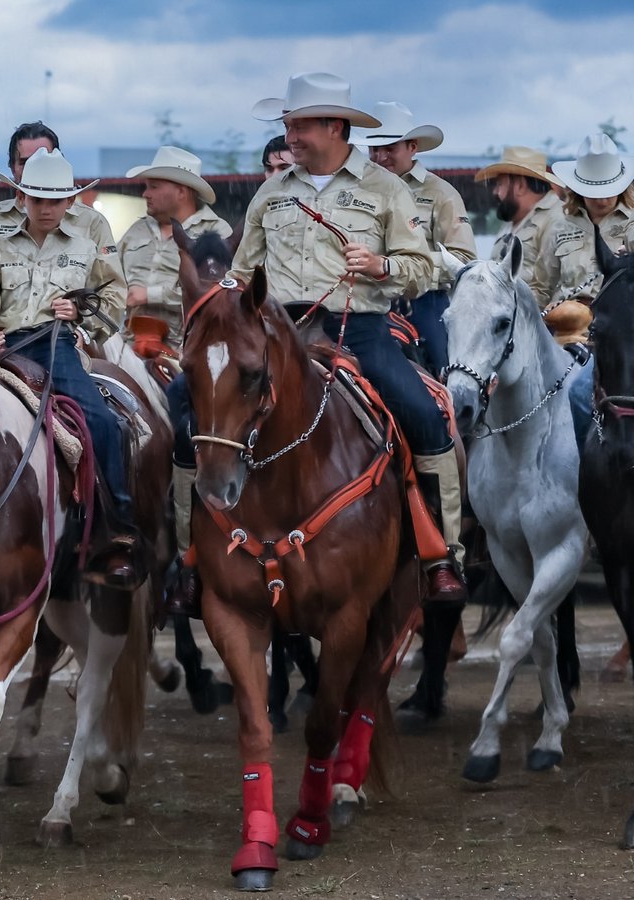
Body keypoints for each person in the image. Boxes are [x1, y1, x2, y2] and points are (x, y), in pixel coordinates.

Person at [174, 73, 461, 614]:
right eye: (287, 125)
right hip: (278, 334)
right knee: (183, 410)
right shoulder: (271, 192)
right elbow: (240, 273)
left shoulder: (386, 189)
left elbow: (424, 270)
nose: (290, 136)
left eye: (299, 125)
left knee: (424, 412)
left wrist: (381, 265)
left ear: (335, 126)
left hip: (361, 330)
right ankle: (189, 557)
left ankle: (439, 554)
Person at [0, 147, 137, 587]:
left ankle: (115, 526)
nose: (45, 208)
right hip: (1, 348)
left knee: (102, 420)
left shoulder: (87, 248)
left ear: (69, 202)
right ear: (23, 198)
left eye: (53, 200)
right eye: (36, 199)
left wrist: (80, 314)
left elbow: (114, 304)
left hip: (54, 347)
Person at [0, 122, 127, 336]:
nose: (37, 167)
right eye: (26, 162)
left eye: (44, 158)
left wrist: (83, 327)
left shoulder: (92, 223)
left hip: (67, 336)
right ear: (12, 167)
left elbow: (113, 291)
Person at [362, 101, 478, 374]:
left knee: (446, 367)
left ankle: (455, 413)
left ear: (412, 147)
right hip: (366, 299)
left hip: (422, 303)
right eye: (374, 149)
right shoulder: (358, 191)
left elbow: (464, 259)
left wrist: (410, 268)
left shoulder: (441, 194)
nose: (380, 157)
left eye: (389, 148)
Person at [549, 133, 634, 442]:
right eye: (594, 191)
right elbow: (540, 286)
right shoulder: (559, 228)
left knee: (579, 394)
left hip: (619, 339)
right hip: (562, 335)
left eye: (609, 190)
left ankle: (590, 464)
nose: (602, 198)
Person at [118, 146, 233, 348]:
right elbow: (109, 278)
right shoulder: (136, 230)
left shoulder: (217, 232)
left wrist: (150, 295)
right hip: (126, 345)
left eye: (154, 187)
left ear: (181, 191)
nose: (145, 194)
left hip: (184, 349)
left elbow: (219, 293)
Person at [475, 145, 566, 306]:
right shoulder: (511, 223)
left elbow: (557, 286)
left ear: (520, 185)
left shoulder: (557, 219)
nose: (496, 192)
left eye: (500, 184)